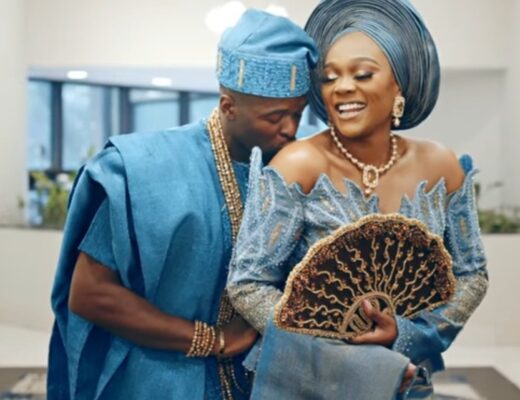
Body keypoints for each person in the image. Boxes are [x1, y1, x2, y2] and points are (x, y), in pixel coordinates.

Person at [47, 9, 318, 400]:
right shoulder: (142, 169)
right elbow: (90, 294)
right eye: (275, 117)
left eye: (297, 113)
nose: (290, 129)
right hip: (160, 381)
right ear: (228, 106)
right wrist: (212, 339)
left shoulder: (302, 169)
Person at [227, 0, 489, 399]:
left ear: (399, 83)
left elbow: (472, 275)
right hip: (312, 384)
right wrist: (344, 357)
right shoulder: (298, 164)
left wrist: (407, 336)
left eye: (362, 73)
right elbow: (248, 283)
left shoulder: (442, 165)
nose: (343, 87)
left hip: (407, 381)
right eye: (329, 78)